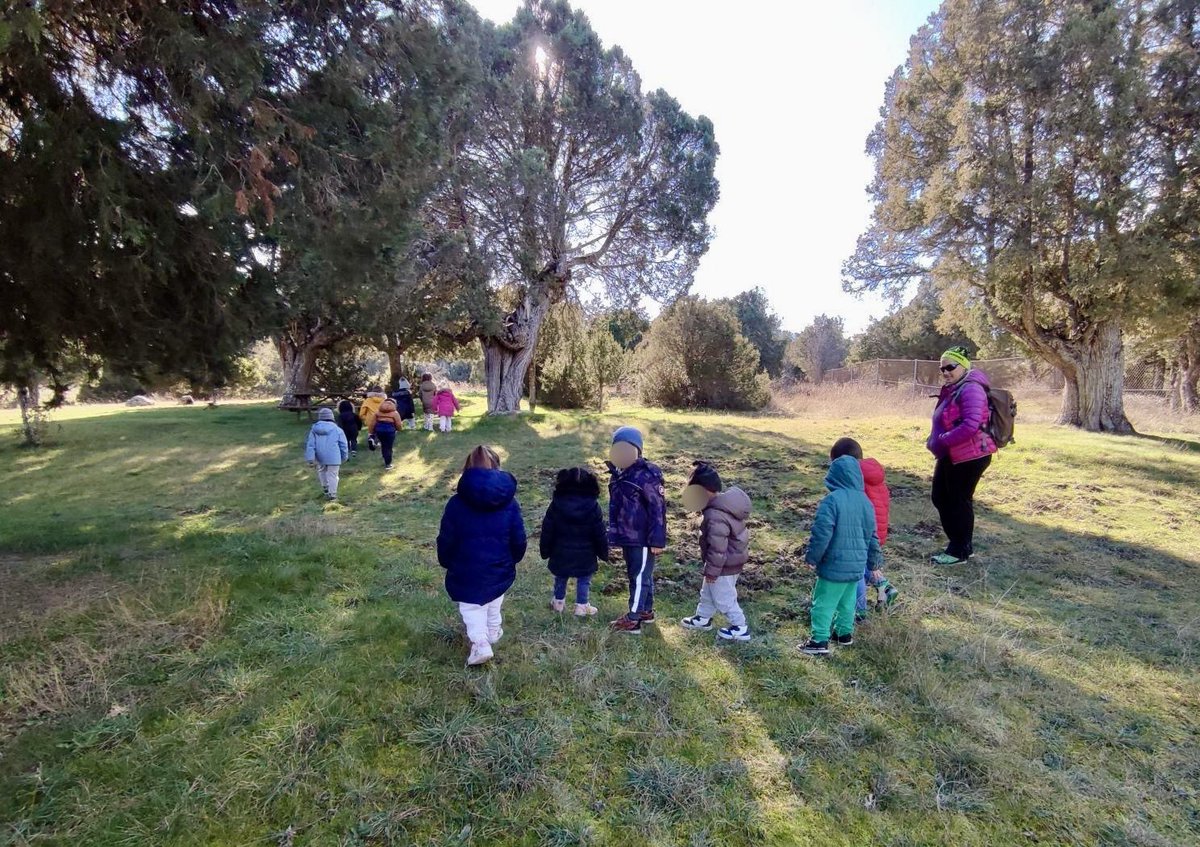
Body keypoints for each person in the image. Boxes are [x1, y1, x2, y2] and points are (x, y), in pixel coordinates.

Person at [437, 445, 527, 666]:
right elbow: (518, 536)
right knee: (494, 599)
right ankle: (494, 630)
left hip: (465, 567)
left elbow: (447, 537)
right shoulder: (510, 503)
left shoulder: (456, 504)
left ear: (466, 470)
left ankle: (480, 643)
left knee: (471, 607)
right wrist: (514, 558)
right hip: (499, 566)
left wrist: (446, 560)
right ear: (497, 467)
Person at [798, 454, 883, 656]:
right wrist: (875, 564)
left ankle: (818, 640)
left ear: (834, 477)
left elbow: (821, 533)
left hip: (834, 566)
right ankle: (844, 634)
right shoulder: (866, 503)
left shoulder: (831, 501)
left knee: (823, 602)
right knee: (847, 603)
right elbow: (873, 537)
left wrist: (812, 558)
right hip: (856, 567)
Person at [927, 345, 997, 565]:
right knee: (941, 496)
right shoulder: (956, 387)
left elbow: (971, 425)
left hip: (970, 455)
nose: (946, 372)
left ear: (964, 366)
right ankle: (961, 545)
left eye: (951, 367)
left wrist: (943, 439)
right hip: (952, 454)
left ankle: (959, 551)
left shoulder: (971, 388)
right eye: (943, 368)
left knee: (958, 500)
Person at [679, 462, 753, 642]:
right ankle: (703, 618)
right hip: (726, 563)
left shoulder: (715, 516)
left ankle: (740, 627)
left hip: (723, 566)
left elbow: (718, 548)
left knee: (724, 598)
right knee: (708, 593)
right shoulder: (723, 507)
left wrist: (712, 571)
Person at [829, 437, 899, 620]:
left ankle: (858, 610)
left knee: (856, 571)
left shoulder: (854, 478)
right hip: (877, 531)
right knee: (864, 563)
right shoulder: (874, 474)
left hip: (861, 533)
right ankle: (884, 586)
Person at [606, 426, 667, 634]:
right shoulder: (618, 474)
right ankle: (646, 611)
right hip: (627, 536)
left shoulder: (646, 476)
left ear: (637, 451)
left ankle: (633, 619)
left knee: (639, 576)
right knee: (641, 573)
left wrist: (657, 541)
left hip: (643, 538)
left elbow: (658, 509)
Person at [540, 467, 608, 616]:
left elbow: (547, 529)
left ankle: (558, 603)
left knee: (560, 577)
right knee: (584, 579)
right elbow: (599, 532)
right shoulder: (593, 507)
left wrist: (545, 550)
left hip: (560, 552)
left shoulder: (556, 505)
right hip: (586, 554)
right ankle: (582, 607)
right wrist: (604, 552)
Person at [304, 407, 349, 501]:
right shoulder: (337, 430)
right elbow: (343, 444)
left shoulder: (314, 429)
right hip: (334, 456)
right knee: (333, 475)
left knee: (322, 471)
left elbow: (311, 444)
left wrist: (311, 458)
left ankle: (325, 489)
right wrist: (344, 456)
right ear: (332, 417)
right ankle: (333, 495)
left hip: (320, 456)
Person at [369, 397, 403, 470]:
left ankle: (374, 441)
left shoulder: (377, 412)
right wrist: (398, 429)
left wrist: (371, 433)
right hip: (390, 431)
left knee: (384, 445)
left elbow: (372, 423)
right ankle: (388, 464)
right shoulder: (395, 413)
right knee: (389, 447)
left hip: (379, 430)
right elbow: (398, 424)